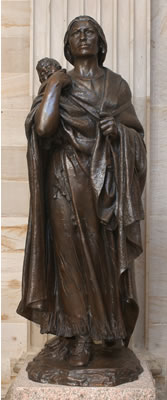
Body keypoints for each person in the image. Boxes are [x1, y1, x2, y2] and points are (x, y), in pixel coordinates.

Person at [17, 16, 146, 368]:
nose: (84, 36)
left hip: (104, 187)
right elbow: (43, 129)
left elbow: (136, 134)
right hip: (64, 181)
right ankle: (74, 335)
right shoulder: (59, 82)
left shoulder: (116, 86)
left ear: (101, 41)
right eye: (76, 32)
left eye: (90, 31)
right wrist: (56, 85)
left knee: (102, 260)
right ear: (67, 45)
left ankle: (102, 331)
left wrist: (119, 131)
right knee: (68, 257)